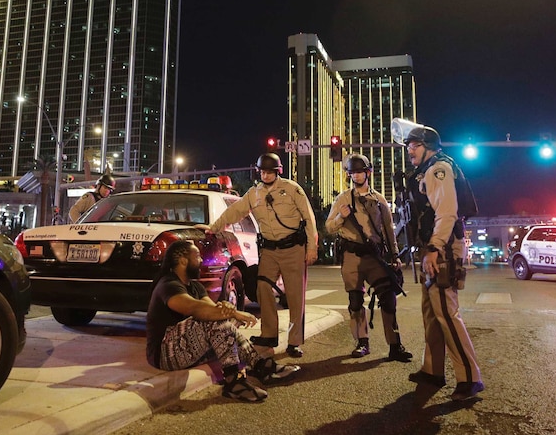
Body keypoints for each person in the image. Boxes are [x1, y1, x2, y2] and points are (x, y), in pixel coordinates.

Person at [391, 118, 484, 401]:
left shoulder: (438, 170)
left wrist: (433, 248)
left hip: (441, 249)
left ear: (429, 146)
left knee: (446, 312)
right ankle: (432, 370)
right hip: (431, 248)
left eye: (415, 145)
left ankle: (469, 378)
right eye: (408, 145)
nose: (410, 150)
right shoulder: (426, 172)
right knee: (431, 313)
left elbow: (447, 213)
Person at [145, 239, 300, 402]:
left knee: (221, 322)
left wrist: (227, 310)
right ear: (183, 260)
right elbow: (195, 308)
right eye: (197, 256)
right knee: (214, 321)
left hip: (188, 350)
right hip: (164, 354)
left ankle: (260, 367)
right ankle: (234, 382)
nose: (201, 261)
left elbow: (214, 309)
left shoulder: (195, 287)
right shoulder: (168, 285)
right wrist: (235, 314)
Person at [201, 153, 318, 358]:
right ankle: (269, 334)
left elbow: (308, 217)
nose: (265, 175)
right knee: (263, 287)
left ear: (277, 171)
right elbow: (234, 212)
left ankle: (294, 342)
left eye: (269, 172)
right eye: (262, 171)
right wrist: (214, 227)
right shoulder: (254, 193)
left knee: (294, 296)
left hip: (293, 249)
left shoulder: (292, 189)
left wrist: (312, 247)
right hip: (269, 251)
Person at [325, 153, 413, 362]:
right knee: (355, 300)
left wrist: (394, 255)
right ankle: (362, 342)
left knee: (388, 298)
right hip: (351, 255)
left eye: (359, 172)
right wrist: (341, 216)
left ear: (368, 173)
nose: (355, 176)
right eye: (352, 173)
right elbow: (329, 227)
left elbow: (388, 230)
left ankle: (395, 345)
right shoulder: (343, 199)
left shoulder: (379, 199)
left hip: (374, 257)